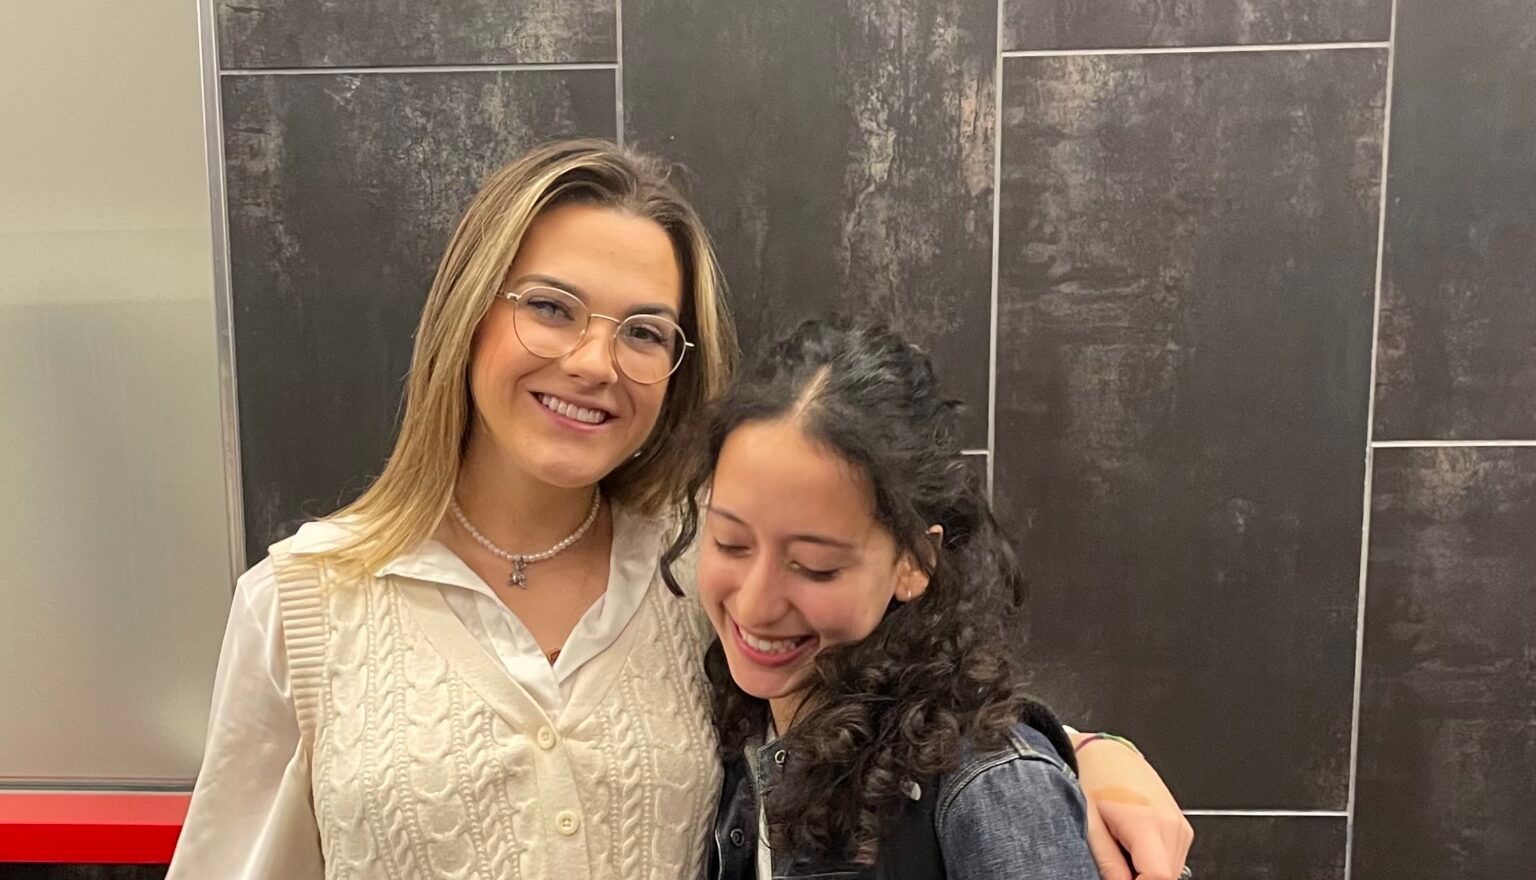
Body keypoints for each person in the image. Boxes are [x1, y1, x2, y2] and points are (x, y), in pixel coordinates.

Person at [168, 139, 1191, 880]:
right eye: (551, 307)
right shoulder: (301, 603)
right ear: (470, 314)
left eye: (645, 332)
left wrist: (1090, 754)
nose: (594, 361)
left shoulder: (705, 569)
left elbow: (914, 699)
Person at [671, 317, 1139, 878]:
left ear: (914, 561)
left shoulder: (993, 788)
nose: (753, 605)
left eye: (815, 567)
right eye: (730, 542)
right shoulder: (739, 734)